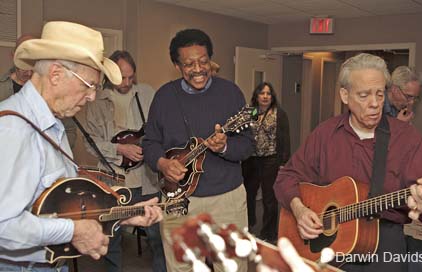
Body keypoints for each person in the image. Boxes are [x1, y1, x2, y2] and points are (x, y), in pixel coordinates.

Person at [0, 21, 162, 271]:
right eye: (88, 86)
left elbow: (66, 205)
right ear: (55, 74)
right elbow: (4, 226)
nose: (92, 97)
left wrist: (123, 213)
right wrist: (74, 231)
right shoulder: (13, 129)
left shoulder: (54, 123)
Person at [273, 53, 422, 272]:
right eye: (364, 95)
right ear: (345, 95)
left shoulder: (407, 139)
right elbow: (286, 177)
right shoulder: (325, 134)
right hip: (327, 247)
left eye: (380, 94)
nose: (375, 104)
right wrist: (299, 210)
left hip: (384, 246)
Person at [142, 28, 254, 271]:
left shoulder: (231, 93)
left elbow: (247, 145)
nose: (198, 69)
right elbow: (149, 143)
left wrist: (225, 145)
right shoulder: (163, 97)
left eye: (203, 61)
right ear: (177, 65)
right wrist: (162, 164)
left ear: (210, 59)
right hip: (177, 200)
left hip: (227, 200)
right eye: (189, 64)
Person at [83, 50, 166, 272]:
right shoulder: (96, 101)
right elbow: (89, 142)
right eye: (121, 78)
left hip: (146, 180)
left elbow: (160, 130)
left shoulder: (147, 93)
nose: (127, 83)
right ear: (110, 75)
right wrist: (119, 148)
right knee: (112, 237)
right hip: (113, 182)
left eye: (131, 77)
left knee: (157, 235)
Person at [0, 34, 78, 148]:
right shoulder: (2, 88)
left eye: (33, 64)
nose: (29, 73)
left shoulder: (50, 89)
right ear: (13, 56)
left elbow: (70, 131)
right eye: (24, 64)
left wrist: (53, 153)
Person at [242, 81, 290, 243]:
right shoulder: (250, 112)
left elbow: (285, 139)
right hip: (251, 160)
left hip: (271, 159)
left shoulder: (279, 113)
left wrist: (284, 161)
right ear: (256, 95)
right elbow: (242, 134)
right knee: (249, 194)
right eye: (262, 93)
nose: (265, 96)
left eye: (268, 93)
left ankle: (269, 233)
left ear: (272, 96)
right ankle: (249, 225)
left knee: (270, 197)